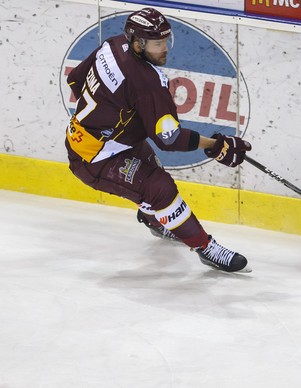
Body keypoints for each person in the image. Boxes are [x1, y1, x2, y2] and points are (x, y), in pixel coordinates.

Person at [65, 8, 252, 273]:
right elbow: (170, 139)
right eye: (157, 44)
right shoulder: (147, 81)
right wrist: (215, 146)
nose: (165, 49)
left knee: (151, 179)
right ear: (138, 43)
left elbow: (75, 80)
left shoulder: (112, 45)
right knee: (160, 188)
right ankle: (205, 248)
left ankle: (154, 220)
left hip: (100, 140)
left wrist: (111, 119)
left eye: (166, 41)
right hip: (95, 157)